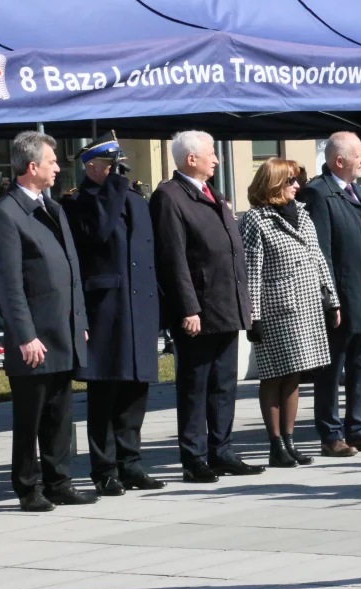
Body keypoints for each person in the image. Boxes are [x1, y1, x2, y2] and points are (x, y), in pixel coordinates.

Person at [0, 131, 95, 511]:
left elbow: (71, 269)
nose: (58, 167)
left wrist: (79, 319)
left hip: (62, 328)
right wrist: (25, 335)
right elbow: (9, 284)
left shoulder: (53, 208)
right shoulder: (5, 213)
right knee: (30, 416)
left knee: (59, 412)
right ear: (32, 167)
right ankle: (27, 486)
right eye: (52, 161)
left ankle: (58, 480)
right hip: (34, 334)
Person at [150, 130, 264, 483]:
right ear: (191, 159)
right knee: (195, 385)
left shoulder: (213, 194)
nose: (217, 159)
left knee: (223, 384)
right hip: (199, 308)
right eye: (211, 153)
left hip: (226, 304)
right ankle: (194, 457)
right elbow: (172, 258)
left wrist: (244, 302)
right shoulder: (170, 196)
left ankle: (222, 450)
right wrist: (188, 308)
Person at [61, 131, 165, 496]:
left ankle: (130, 462)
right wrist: (114, 189)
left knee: (135, 388)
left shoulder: (133, 197)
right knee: (105, 389)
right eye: (111, 165)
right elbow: (99, 233)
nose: (119, 171)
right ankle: (104, 469)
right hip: (107, 307)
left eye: (120, 165)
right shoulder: (78, 201)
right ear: (91, 167)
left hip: (140, 304)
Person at [297, 132, 361, 458]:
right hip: (341, 296)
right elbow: (320, 252)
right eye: (358, 155)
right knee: (331, 369)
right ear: (339, 161)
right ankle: (331, 434)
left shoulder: (360, 193)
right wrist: (329, 298)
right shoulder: (318, 193)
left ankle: (359, 428)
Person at [241, 158, 339, 467]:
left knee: (295, 374)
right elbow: (251, 270)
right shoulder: (256, 219)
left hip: (307, 306)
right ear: (273, 184)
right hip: (277, 307)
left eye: (297, 181)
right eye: (291, 181)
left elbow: (318, 257)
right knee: (274, 375)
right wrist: (253, 315)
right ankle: (275, 445)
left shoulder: (303, 214)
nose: (297, 186)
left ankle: (290, 441)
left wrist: (332, 299)